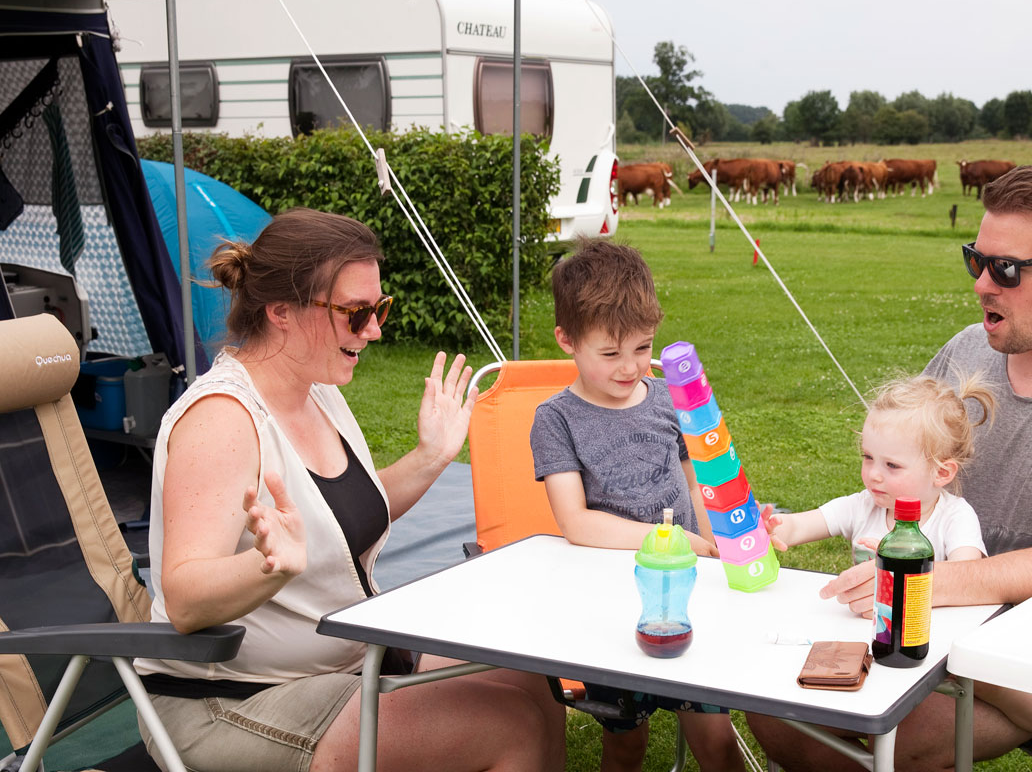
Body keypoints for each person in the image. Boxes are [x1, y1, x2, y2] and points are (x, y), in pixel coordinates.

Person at [747, 159, 1032, 771]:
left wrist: (905, 586)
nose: (982, 284)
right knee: (770, 705)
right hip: (926, 627)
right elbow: (908, 478)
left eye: (1006, 268)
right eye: (974, 259)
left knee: (873, 739)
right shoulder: (965, 347)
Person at [133, 208, 564, 772]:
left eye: (377, 308)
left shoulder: (315, 390)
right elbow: (186, 598)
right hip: (231, 700)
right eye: (356, 312)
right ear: (281, 311)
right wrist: (268, 567)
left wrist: (433, 455)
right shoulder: (223, 420)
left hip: (341, 664)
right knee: (510, 727)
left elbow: (345, 516)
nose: (375, 329)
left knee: (528, 672)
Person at [764, 374, 1032, 767]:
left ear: (942, 473)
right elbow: (805, 523)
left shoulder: (953, 516)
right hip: (887, 640)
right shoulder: (865, 505)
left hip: (948, 639)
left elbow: (968, 571)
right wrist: (775, 528)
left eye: (892, 465)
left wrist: (900, 563)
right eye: (868, 458)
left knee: (993, 674)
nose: (874, 475)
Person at [529, 239, 744, 772]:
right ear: (567, 341)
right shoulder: (555, 420)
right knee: (626, 744)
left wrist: (721, 535)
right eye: (610, 353)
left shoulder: (670, 398)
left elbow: (700, 482)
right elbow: (576, 523)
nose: (630, 368)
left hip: (692, 596)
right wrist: (673, 542)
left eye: (643, 348)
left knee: (717, 741)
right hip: (616, 603)